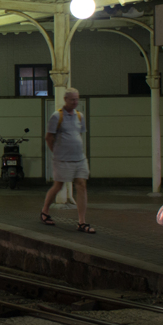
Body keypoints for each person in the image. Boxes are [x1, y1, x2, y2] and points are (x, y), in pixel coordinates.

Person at [41, 88, 94, 233]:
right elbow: (49, 137)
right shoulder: (56, 117)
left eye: (77, 99)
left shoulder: (79, 116)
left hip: (79, 159)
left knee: (81, 185)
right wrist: (57, 152)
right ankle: (45, 211)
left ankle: (81, 222)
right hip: (62, 160)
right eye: (72, 99)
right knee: (58, 186)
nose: (75, 102)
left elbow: (79, 135)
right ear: (65, 100)